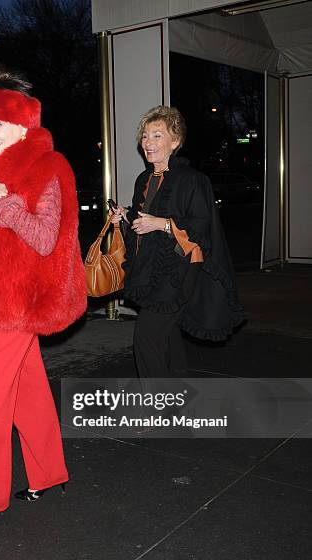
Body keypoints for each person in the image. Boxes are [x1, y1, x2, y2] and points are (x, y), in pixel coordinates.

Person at [0, 70, 87, 529]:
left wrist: (5, 202)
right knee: (28, 391)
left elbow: (46, 238)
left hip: (23, 301)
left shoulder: (45, 166)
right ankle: (49, 473)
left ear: (23, 124)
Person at [111, 105, 244, 377]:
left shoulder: (193, 180)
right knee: (167, 334)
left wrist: (160, 224)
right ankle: (177, 395)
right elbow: (143, 222)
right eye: (145, 136)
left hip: (179, 269)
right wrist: (125, 217)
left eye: (157, 135)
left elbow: (200, 226)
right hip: (151, 268)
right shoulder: (144, 180)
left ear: (175, 141)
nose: (148, 142)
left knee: (147, 339)